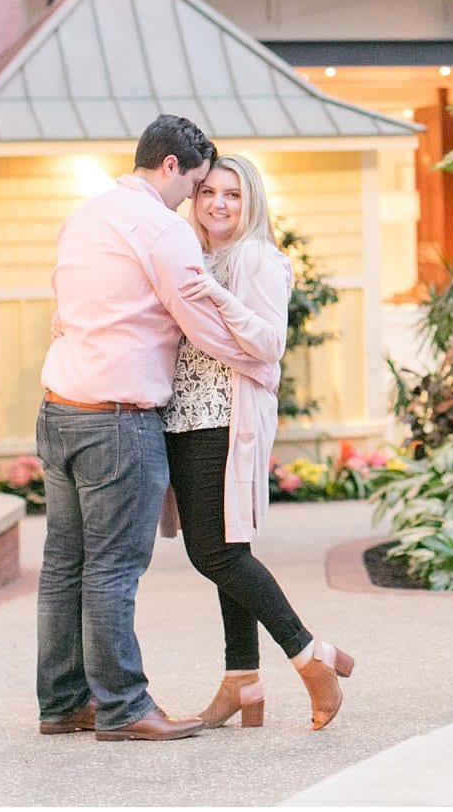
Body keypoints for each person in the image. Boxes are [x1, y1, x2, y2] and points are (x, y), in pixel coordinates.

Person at [36, 116, 279, 743]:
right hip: (118, 419)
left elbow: (61, 313)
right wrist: (259, 359)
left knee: (64, 563)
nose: (195, 199)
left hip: (59, 408)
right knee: (113, 568)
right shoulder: (162, 228)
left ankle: (63, 702)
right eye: (196, 183)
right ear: (171, 167)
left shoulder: (85, 216)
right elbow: (198, 322)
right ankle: (122, 707)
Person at [159, 154, 355, 731]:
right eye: (208, 193)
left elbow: (268, 343)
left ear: (252, 204)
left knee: (215, 553)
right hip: (186, 418)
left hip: (224, 418)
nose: (217, 203)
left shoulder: (258, 257)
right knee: (227, 553)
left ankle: (308, 653)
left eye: (233, 195)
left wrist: (214, 297)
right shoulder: (199, 256)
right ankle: (242, 681)